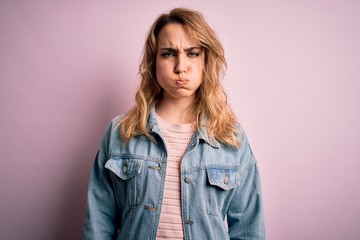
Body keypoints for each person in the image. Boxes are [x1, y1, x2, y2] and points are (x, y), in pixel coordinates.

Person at [82, 7, 265, 240]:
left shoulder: (231, 137)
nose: (181, 67)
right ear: (153, 61)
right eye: (168, 53)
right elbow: (98, 223)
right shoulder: (121, 132)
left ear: (206, 60)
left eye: (192, 53)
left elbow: (249, 229)